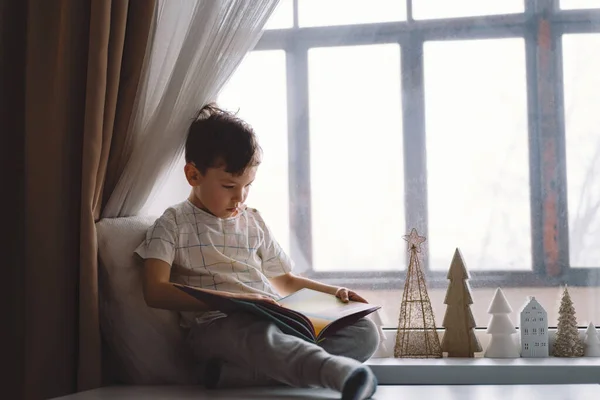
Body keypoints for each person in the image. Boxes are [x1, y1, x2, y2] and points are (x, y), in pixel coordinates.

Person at [134, 104, 379, 399]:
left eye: (248, 185)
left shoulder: (253, 219)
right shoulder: (173, 222)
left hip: (273, 315)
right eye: (229, 186)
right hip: (217, 326)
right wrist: (235, 300)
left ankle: (236, 377)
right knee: (258, 336)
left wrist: (333, 291)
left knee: (364, 333)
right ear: (193, 175)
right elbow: (155, 290)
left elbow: (285, 281)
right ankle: (339, 374)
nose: (240, 197)